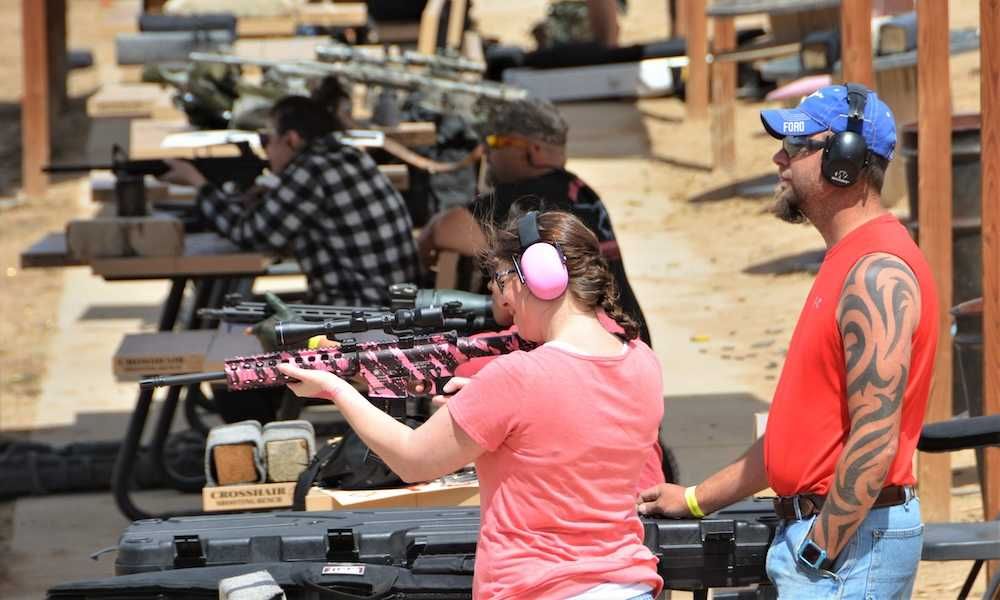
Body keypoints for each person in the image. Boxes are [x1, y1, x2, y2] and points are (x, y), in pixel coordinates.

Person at [637, 84, 940, 598]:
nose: (780, 158)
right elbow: (793, 439)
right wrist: (694, 499)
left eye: (797, 146)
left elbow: (875, 438)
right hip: (832, 544)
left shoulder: (876, 275)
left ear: (844, 161)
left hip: (843, 551)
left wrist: (819, 551)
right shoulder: (850, 260)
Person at [281, 210, 663, 600]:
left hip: (540, 589)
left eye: (503, 279)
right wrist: (487, 405)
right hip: (628, 586)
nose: (502, 296)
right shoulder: (642, 361)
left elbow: (413, 460)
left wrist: (337, 390)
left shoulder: (517, 377)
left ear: (539, 276)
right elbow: (565, 427)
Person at [417, 97, 652, 345]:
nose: (487, 151)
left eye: (497, 142)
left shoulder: (527, 197)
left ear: (534, 151)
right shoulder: (579, 190)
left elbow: (442, 231)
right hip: (624, 340)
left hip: (584, 348)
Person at [160, 95, 420, 307]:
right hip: (386, 304)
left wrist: (197, 183)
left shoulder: (312, 169)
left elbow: (250, 233)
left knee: (240, 317)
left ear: (292, 139)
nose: (266, 149)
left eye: (267, 139)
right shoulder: (349, 156)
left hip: (358, 309)